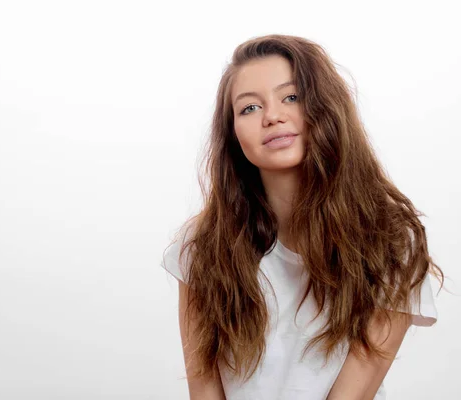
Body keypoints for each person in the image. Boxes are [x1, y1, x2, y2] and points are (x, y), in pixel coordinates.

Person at [160, 34, 444, 400]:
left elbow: (352, 394)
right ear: (232, 134)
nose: (273, 116)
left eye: (291, 97)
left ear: (324, 107)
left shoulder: (388, 240)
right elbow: (203, 388)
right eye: (249, 108)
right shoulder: (201, 245)